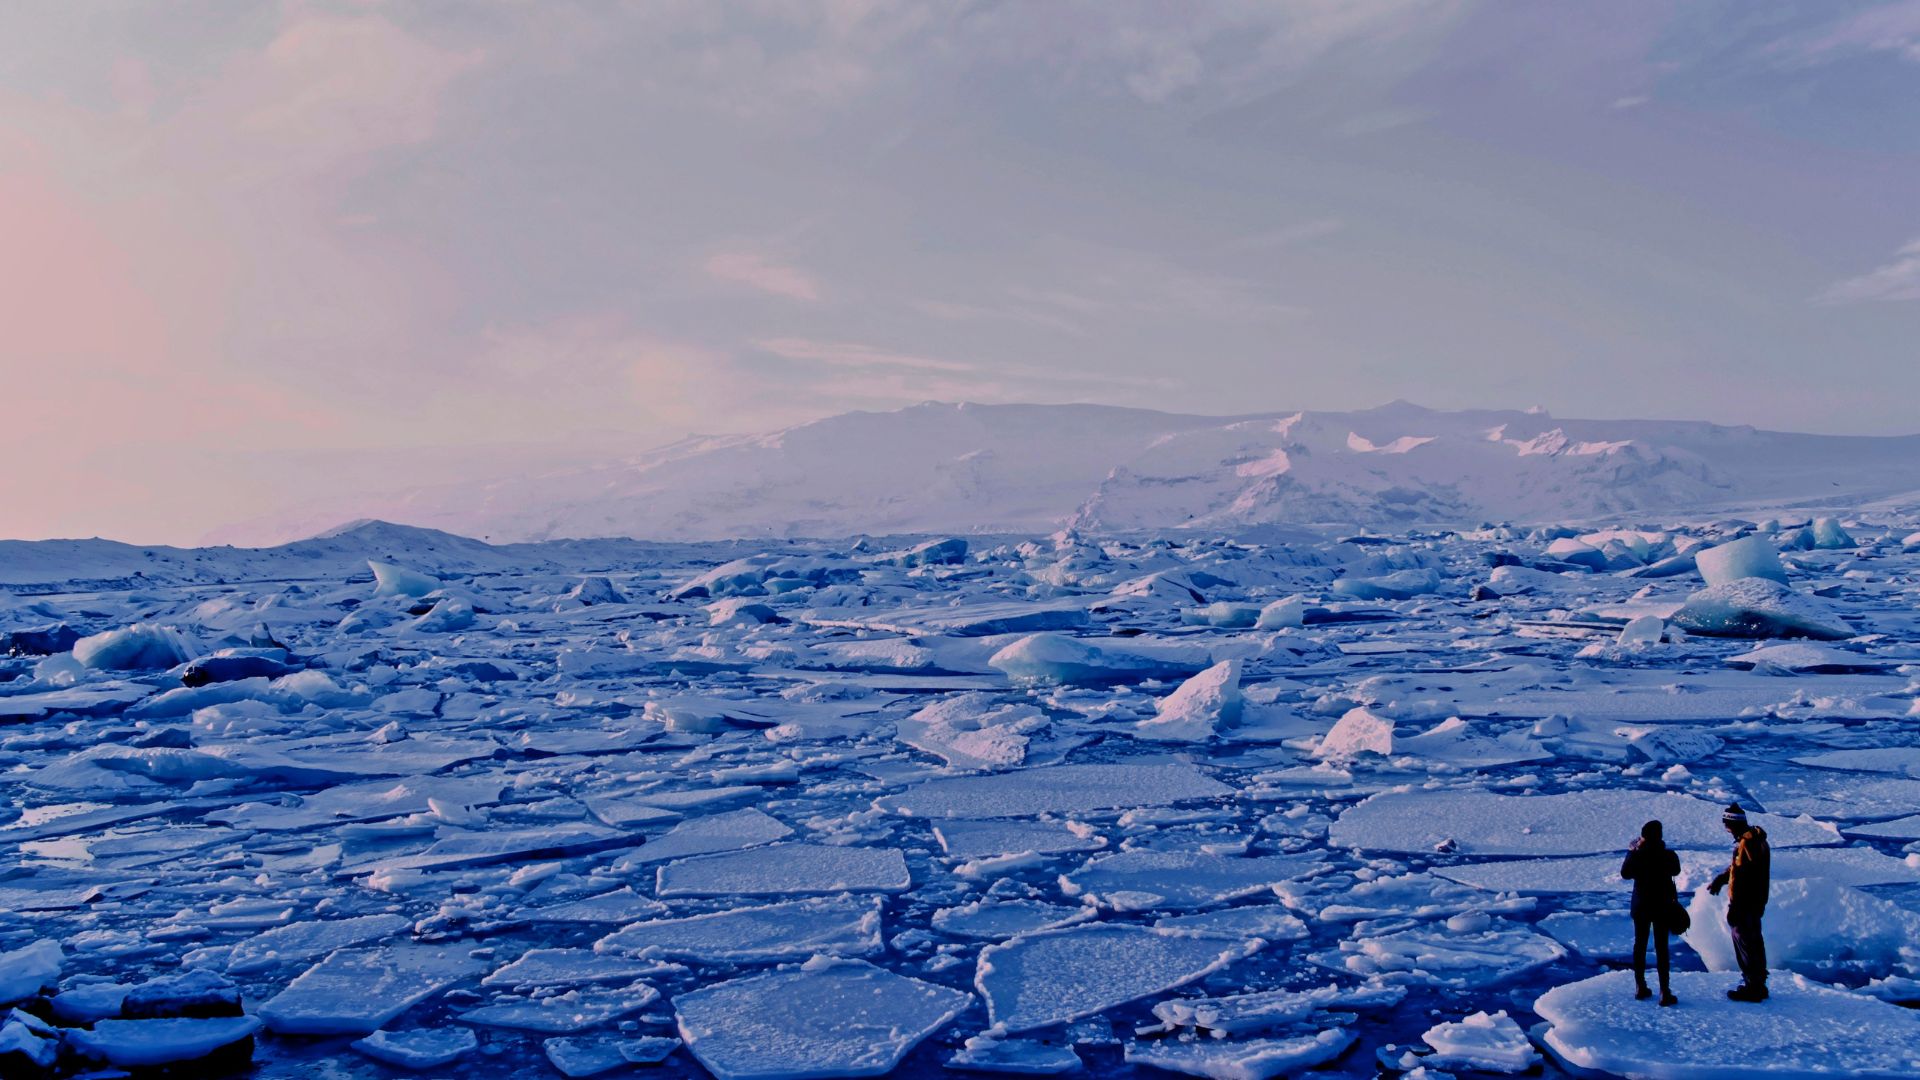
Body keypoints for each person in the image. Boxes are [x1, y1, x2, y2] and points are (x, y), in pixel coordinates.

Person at [1708, 802, 1770, 1002]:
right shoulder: (1752, 840)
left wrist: (1737, 905)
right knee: (1753, 942)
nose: (1725, 828)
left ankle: (1753, 987)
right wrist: (1722, 878)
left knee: (1746, 943)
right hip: (1753, 902)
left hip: (1746, 904)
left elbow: (1746, 874)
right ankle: (1757, 984)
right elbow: (1738, 868)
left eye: (1726, 823)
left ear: (1730, 824)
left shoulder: (1748, 843)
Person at [1620, 819, 1680, 1006]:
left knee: (1640, 945)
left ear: (1643, 837)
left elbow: (1625, 874)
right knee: (1662, 947)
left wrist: (1632, 852)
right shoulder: (1668, 855)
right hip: (1661, 905)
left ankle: (1640, 986)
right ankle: (1664, 991)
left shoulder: (1637, 855)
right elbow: (1676, 871)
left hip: (1641, 906)